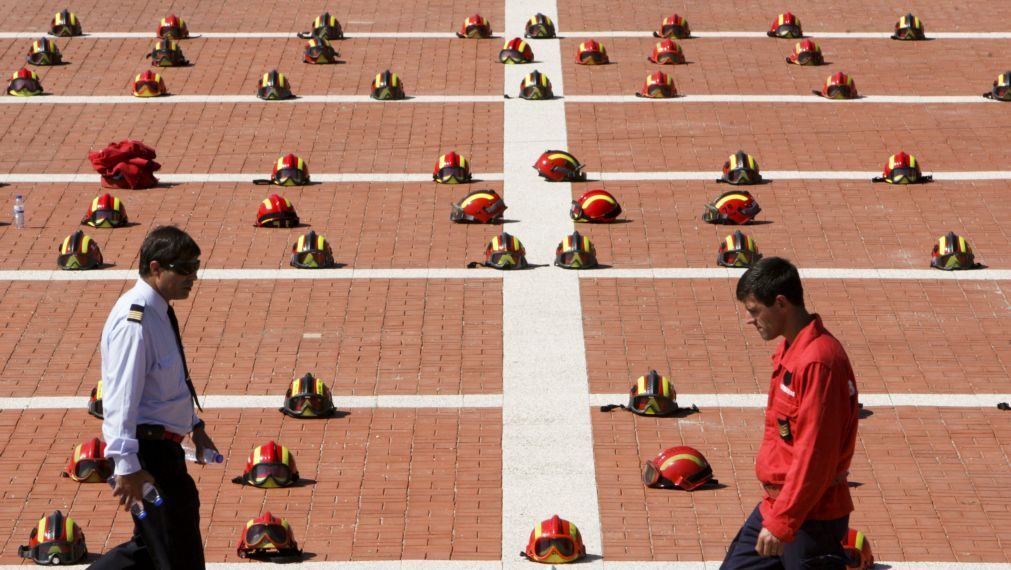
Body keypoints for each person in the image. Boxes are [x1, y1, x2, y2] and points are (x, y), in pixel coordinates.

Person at [91, 226, 217, 570]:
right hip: (150, 457)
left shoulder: (159, 310)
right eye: (185, 268)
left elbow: (167, 385)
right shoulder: (136, 322)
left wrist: (194, 425)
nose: (193, 277)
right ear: (157, 267)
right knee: (177, 556)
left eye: (196, 267)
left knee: (152, 551)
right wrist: (128, 467)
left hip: (165, 450)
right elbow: (120, 398)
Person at [722, 257, 859, 570]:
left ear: (780, 303)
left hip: (810, 518)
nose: (749, 320)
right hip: (780, 506)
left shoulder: (817, 362)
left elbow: (814, 456)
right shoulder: (791, 352)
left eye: (755, 310)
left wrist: (783, 523)